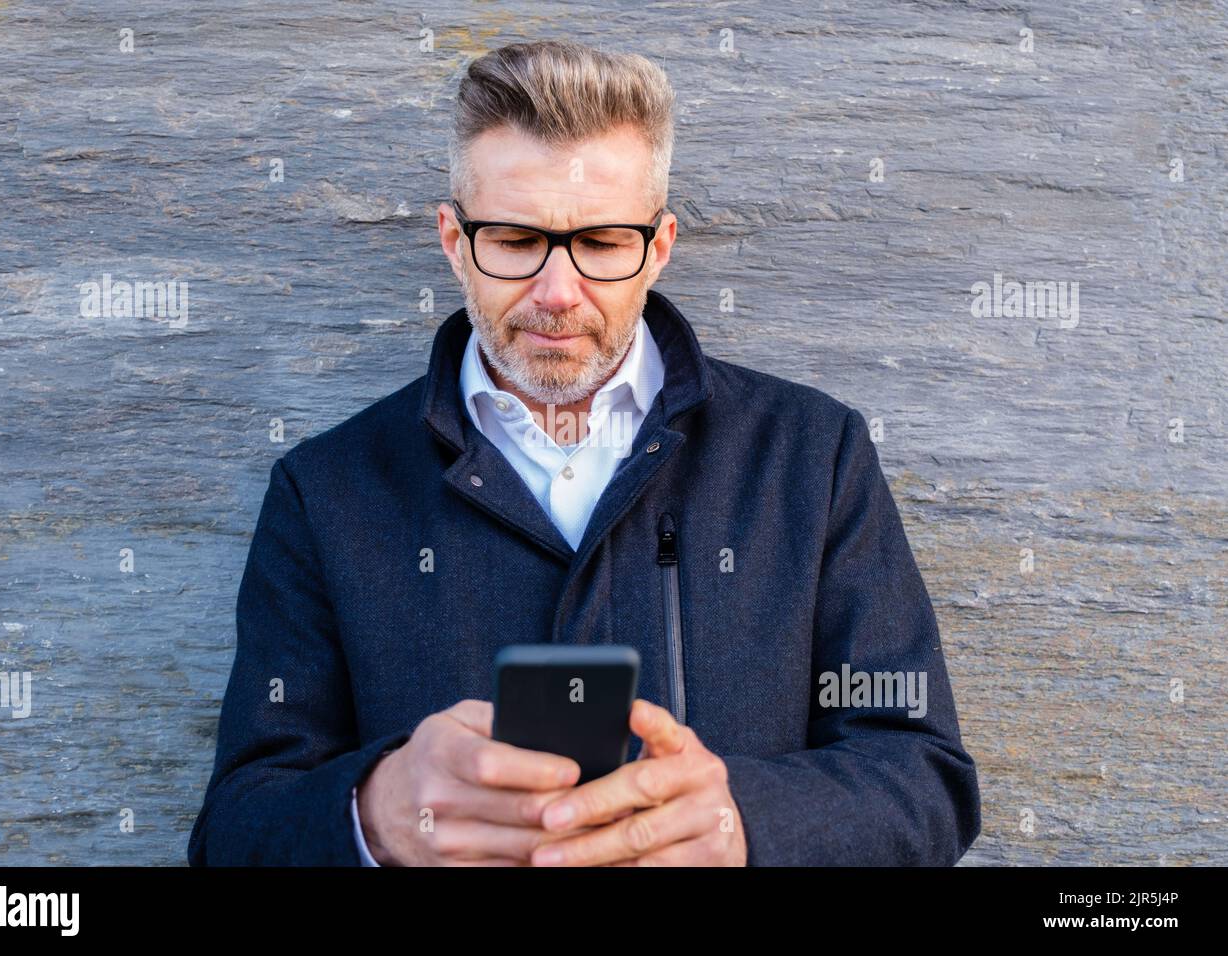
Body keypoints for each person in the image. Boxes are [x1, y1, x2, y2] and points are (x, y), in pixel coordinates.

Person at [187, 39, 981, 867]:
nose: (557, 293)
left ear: (660, 245)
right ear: (455, 242)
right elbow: (235, 830)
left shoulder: (812, 457)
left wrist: (744, 823)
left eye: (601, 243)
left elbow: (923, 777)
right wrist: (376, 814)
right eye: (515, 240)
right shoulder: (327, 491)